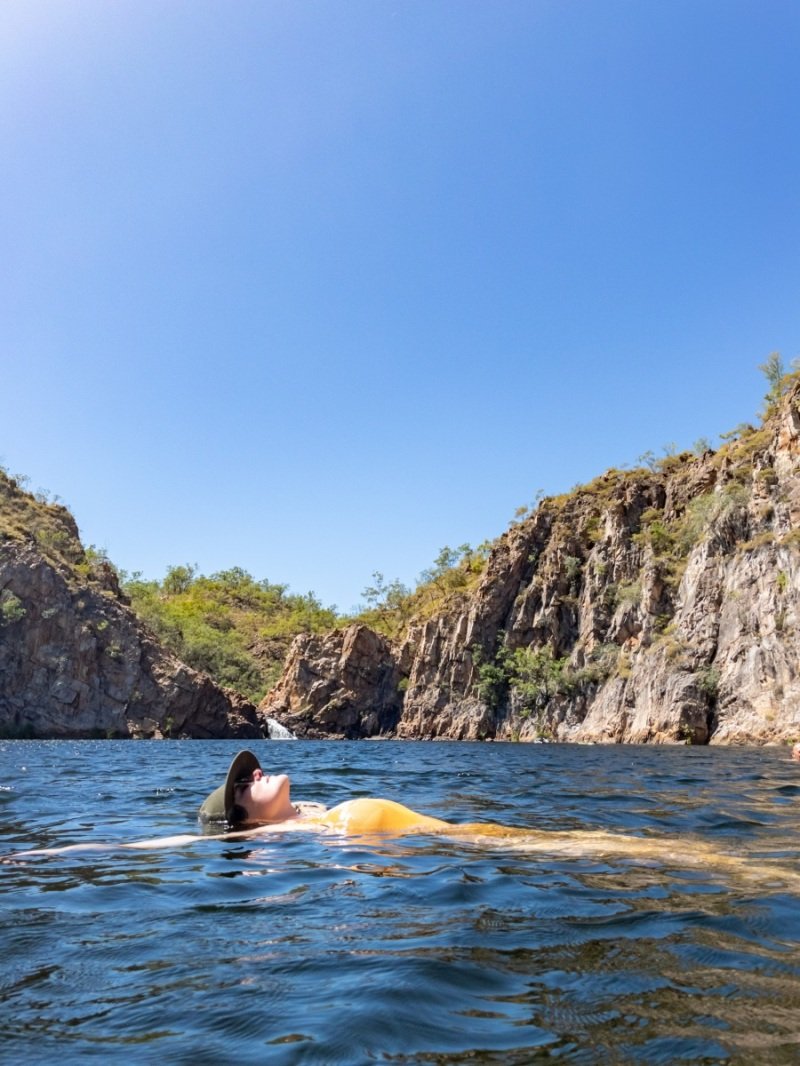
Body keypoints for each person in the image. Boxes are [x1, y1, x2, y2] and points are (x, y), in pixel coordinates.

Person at [198, 750, 453, 836]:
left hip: (444, 834)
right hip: (428, 850)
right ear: (244, 820)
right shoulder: (270, 832)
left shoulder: (309, 811)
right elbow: (193, 842)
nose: (257, 773)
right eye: (243, 786)